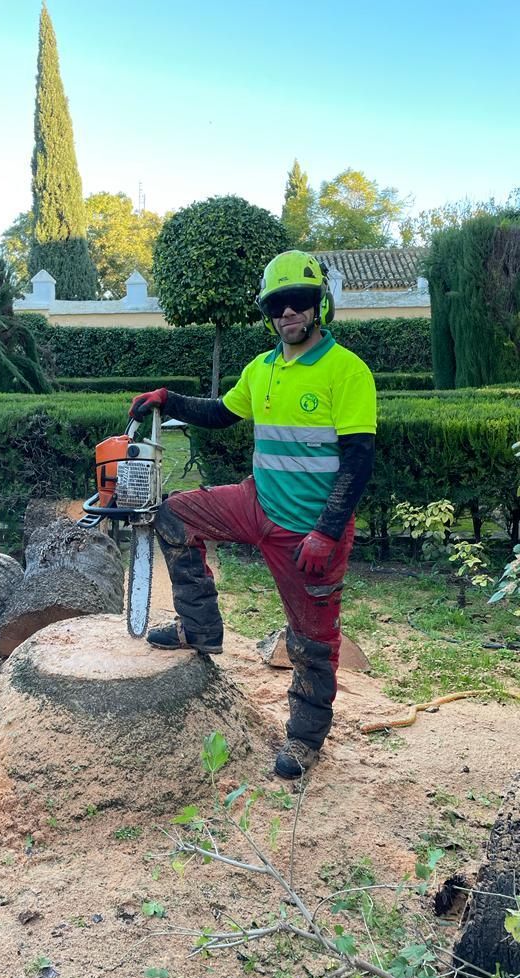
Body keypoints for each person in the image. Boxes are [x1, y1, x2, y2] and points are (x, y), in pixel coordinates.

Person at [129, 250, 376, 779]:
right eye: (276, 305)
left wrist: (327, 531)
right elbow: (222, 413)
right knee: (174, 516)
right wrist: (168, 399)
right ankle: (199, 627)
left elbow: (358, 460)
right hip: (256, 503)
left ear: (318, 305)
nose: (287, 313)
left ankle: (305, 739)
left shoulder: (347, 371)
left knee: (311, 641)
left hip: (309, 531)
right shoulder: (261, 369)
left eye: (298, 301)